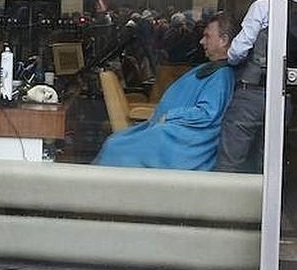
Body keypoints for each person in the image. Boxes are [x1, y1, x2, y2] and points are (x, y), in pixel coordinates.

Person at [94, 12, 236, 171]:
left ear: (223, 40)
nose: (202, 41)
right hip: (171, 130)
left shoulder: (222, 75)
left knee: (116, 146)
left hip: (182, 139)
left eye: (207, 36)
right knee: (116, 141)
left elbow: (207, 114)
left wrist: (170, 116)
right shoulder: (215, 70)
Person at [216, 0, 297, 173]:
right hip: (284, 99)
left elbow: (237, 52)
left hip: (251, 92)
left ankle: (226, 203)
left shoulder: (263, 6)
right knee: (269, 166)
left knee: (230, 161)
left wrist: (231, 58)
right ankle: (264, 205)